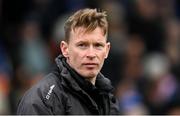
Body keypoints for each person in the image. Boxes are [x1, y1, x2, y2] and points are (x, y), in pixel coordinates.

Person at [17, 8, 120, 115]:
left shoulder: (108, 100)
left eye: (98, 45)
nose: (91, 54)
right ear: (65, 49)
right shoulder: (40, 101)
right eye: (82, 45)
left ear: (107, 50)